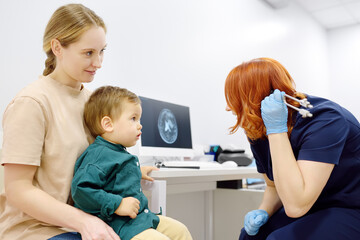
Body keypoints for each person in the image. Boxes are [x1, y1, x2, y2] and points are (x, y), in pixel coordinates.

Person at [0, 4, 121, 240]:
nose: (98, 62)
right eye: (88, 53)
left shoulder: (92, 101)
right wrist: (84, 221)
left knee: (175, 231)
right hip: (36, 229)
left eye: (102, 51)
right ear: (57, 48)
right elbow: (18, 191)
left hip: (81, 223)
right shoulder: (31, 103)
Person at [224, 58, 360, 240]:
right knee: (249, 236)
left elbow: (296, 206)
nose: (228, 107)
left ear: (257, 98)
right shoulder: (259, 127)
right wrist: (263, 210)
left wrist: (276, 131)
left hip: (349, 207)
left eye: (235, 99)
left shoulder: (326, 120)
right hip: (310, 205)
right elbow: (273, 186)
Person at [71, 85, 193, 240]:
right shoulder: (97, 155)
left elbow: (115, 175)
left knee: (180, 231)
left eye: (139, 119)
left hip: (141, 219)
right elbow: (81, 190)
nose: (140, 125)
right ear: (108, 124)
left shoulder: (118, 151)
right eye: (133, 118)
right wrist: (118, 204)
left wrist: (137, 171)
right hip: (120, 226)